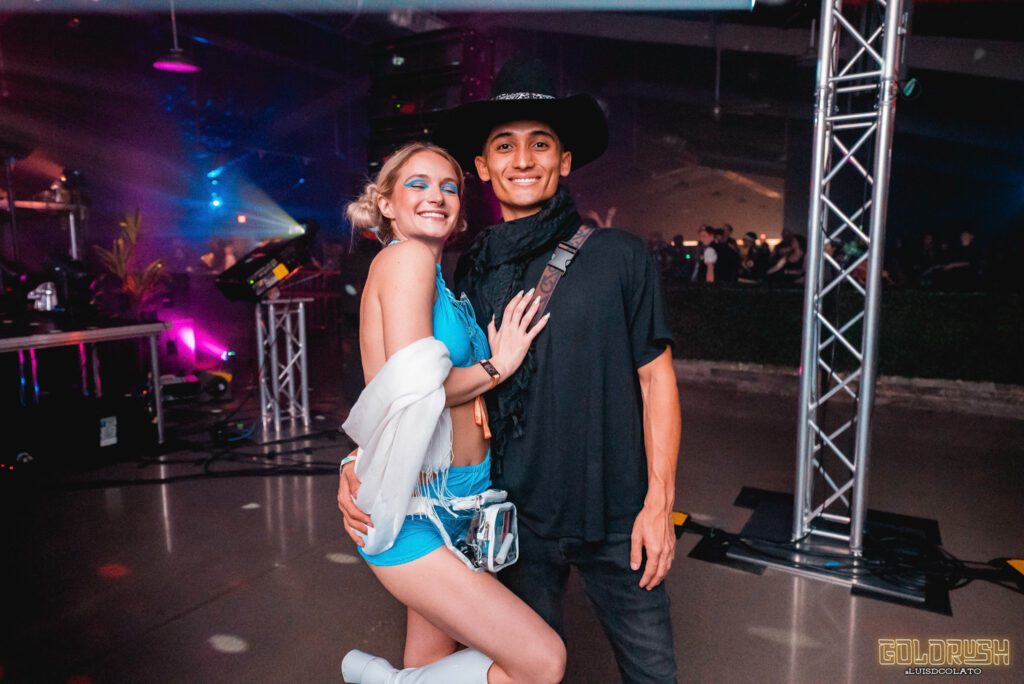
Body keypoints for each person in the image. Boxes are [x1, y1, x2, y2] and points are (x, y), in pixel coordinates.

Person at [342, 56, 681, 683]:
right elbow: (400, 376)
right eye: (504, 145)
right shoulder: (467, 269)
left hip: (617, 518)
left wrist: (659, 505)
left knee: (652, 675)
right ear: (483, 167)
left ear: (565, 161)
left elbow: (657, 380)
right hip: (511, 516)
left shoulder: (619, 255)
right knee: (528, 667)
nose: (522, 159)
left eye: (540, 143)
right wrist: (358, 463)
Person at [337, 142, 565, 684]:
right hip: (419, 507)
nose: (435, 196)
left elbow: (389, 387)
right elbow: (417, 389)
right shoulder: (407, 259)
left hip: (463, 500)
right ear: (386, 204)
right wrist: (498, 365)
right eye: (417, 184)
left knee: (434, 666)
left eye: (448, 187)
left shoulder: (441, 279)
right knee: (541, 662)